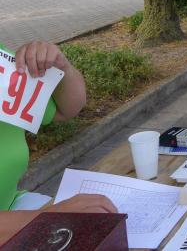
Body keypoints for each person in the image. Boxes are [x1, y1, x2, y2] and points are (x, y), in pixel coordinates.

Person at [0, 40, 117, 245]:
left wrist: (62, 68)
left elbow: (67, 109)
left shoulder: (4, 65)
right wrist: (49, 219)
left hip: (13, 207)